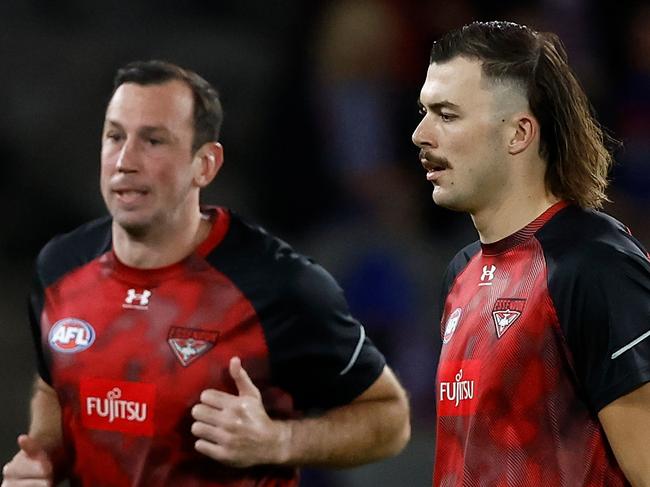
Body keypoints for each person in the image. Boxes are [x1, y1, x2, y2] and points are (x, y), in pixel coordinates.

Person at [2, 60, 410, 486]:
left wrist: (280, 440)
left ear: (206, 165)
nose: (125, 160)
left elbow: (389, 417)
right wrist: (44, 458)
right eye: (114, 137)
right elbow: (53, 385)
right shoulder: (61, 266)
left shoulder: (278, 286)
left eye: (153, 141)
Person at [411, 21, 650, 487]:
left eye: (447, 114)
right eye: (422, 112)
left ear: (519, 133)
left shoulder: (594, 264)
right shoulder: (462, 273)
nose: (421, 134)